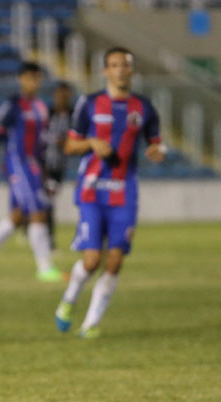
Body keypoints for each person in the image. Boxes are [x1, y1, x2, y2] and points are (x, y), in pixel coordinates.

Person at [54, 47, 164, 338]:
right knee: (92, 261)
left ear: (131, 70)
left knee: (114, 261)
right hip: (92, 189)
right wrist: (92, 143)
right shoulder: (89, 104)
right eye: (114, 65)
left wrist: (157, 150)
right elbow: (68, 145)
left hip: (125, 191)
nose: (120, 70)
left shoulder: (143, 107)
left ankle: (90, 324)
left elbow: (157, 142)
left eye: (125, 65)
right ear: (105, 71)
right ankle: (69, 300)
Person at [0, 61, 61, 282]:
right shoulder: (12, 105)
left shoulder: (40, 107)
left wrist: (44, 173)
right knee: (38, 211)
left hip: (35, 167)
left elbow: (42, 144)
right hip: (18, 164)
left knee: (18, 216)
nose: (33, 82)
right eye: (29, 77)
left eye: (37, 78)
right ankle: (45, 268)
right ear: (21, 79)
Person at [43, 81, 75, 250]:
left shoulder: (74, 115)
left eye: (65, 94)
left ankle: (39, 233)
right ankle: (48, 239)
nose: (61, 98)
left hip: (60, 167)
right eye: (59, 94)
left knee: (47, 201)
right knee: (47, 202)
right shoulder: (46, 113)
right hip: (44, 165)